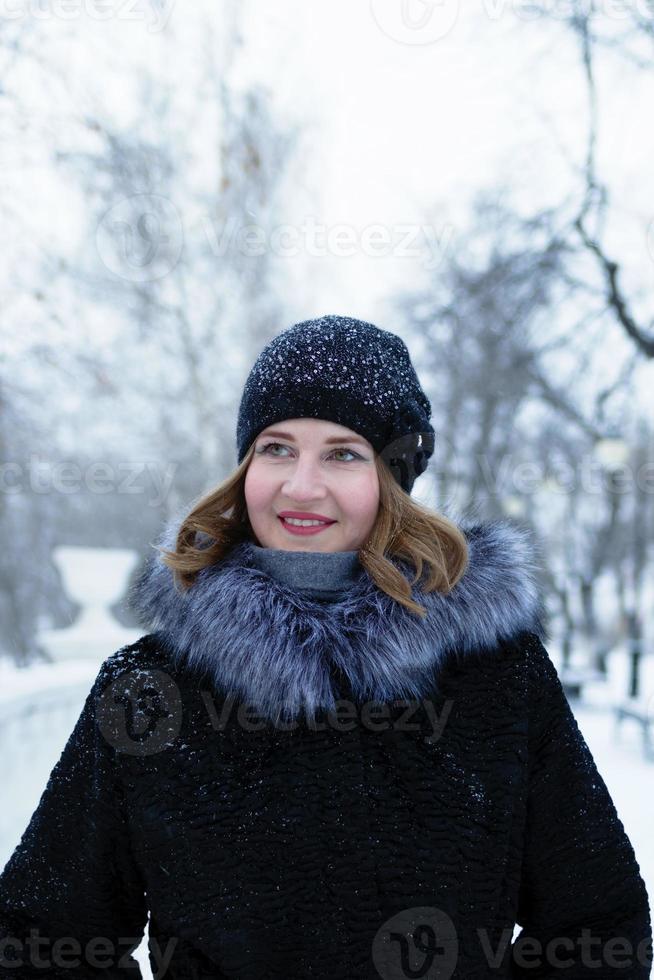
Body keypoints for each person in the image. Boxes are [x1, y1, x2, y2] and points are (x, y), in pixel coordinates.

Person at [0, 313, 651, 979]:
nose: (300, 485)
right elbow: (41, 936)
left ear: (392, 479)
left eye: (342, 453)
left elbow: (599, 930)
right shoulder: (150, 688)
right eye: (276, 448)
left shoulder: (499, 677)